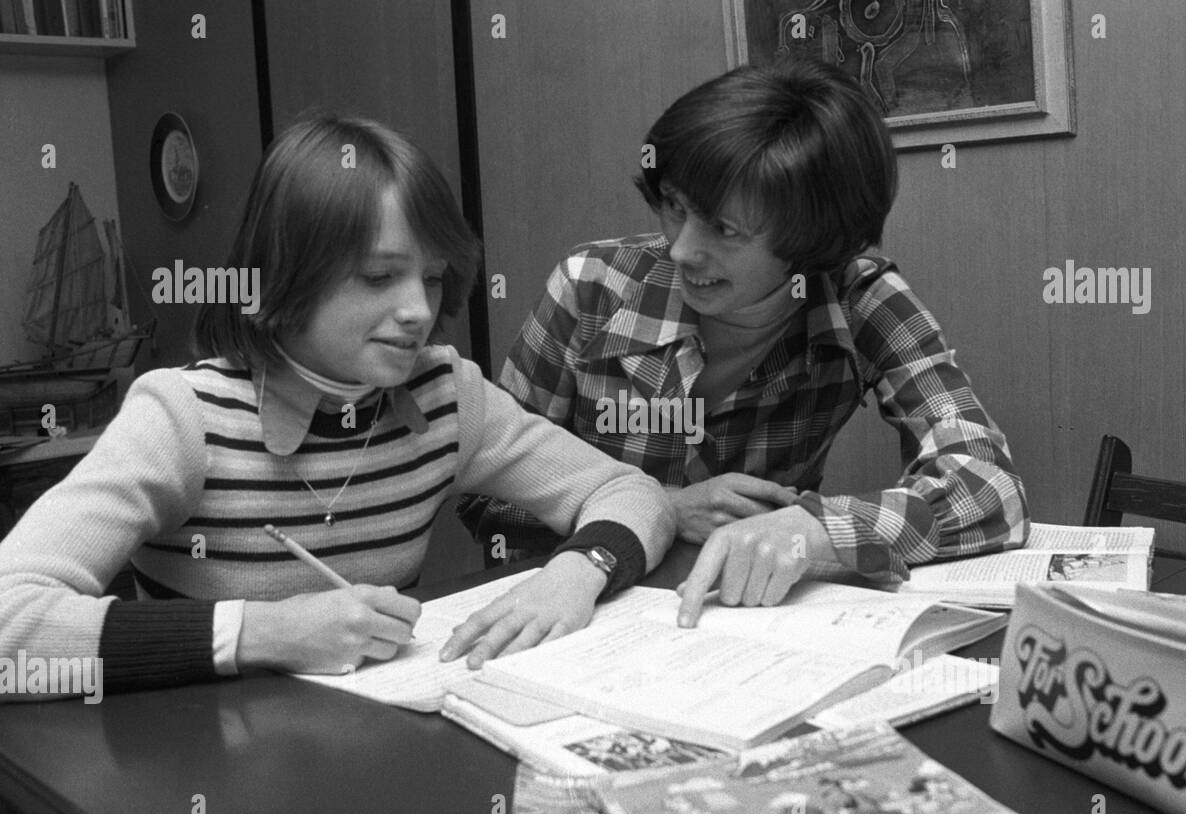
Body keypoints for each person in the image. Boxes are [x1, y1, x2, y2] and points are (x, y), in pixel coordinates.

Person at [0, 116, 674, 699]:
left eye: (433, 278)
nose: (418, 311)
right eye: (380, 276)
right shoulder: (184, 415)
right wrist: (263, 631)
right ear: (284, 275)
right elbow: (9, 623)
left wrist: (576, 572)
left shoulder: (444, 391)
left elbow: (628, 490)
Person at [459, 59, 1029, 626]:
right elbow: (487, 497)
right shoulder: (593, 287)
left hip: (752, 620)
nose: (683, 250)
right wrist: (658, 510)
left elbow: (991, 488)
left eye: (725, 230)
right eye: (674, 208)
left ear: (812, 241)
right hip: (585, 618)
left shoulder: (861, 297)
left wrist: (817, 527)